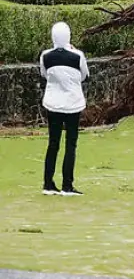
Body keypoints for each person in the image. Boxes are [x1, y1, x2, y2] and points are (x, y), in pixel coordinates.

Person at [40, 21, 89, 196]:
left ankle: (48, 184)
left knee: (53, 143)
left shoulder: (45, 55)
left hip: (52, 103)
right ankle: (67, 185)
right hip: (72, 104)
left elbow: (44, 74)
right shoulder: (78, 56)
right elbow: (84, 76)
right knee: (70, 144)